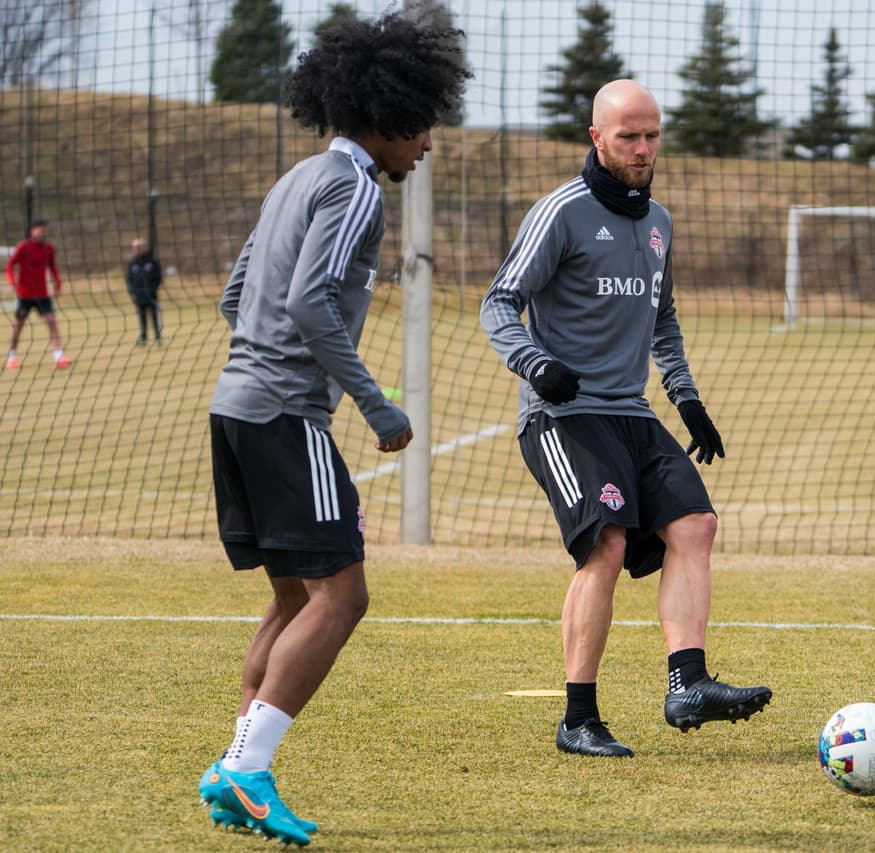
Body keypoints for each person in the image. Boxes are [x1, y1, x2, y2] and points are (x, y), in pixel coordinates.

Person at [197, 12, 467, 846]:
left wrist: (265, 360)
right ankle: (248, 769)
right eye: (420, 127)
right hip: (284, 415)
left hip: (234, 406)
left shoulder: (296, 178)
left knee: (293, 596)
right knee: (344, 596)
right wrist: (375, 405)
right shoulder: (351, 188)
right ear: (385, 118)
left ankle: (231, 765)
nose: (426, 146)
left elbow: (237, 295)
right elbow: (311, 303)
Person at [480, 79, 771, 759]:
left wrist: (686, 395)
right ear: (597, 138)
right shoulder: (562, 212)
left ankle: (688, 682)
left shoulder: (660, 221)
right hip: (562, 416)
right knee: (606, 542)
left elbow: (661, 317)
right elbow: (499, 301)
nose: (643, 149)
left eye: (651, 136)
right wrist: (534, 364)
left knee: (696, 523)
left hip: (631, 412)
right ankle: (578, 717)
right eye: (628, 137)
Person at [5, 220, 70, 370]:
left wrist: (58, 283)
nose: (41, 233)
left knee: (52, 322)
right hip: (25, 295)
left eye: (43, 231)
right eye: (38, 231)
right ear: (32, 232)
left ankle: (59, 358)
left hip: (42, 295)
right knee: (18, 327)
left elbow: (52, 267)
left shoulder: (49, 249)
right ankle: (12, 358)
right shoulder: (23, 247)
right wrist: (11, 281)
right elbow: (10, 265)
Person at [125, 238, 163, 345]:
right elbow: (129, 280)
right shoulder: (133, 263)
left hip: (151, 296)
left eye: (138, 247)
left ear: (143, 248)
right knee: (142, 319)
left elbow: (158, 277)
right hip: (139, 297)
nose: (136, 249)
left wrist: (153, 288)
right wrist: (132, 292)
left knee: (155, 318)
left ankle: (158, 337)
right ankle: (143, 338)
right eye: (134, 248)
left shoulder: (152, 261)